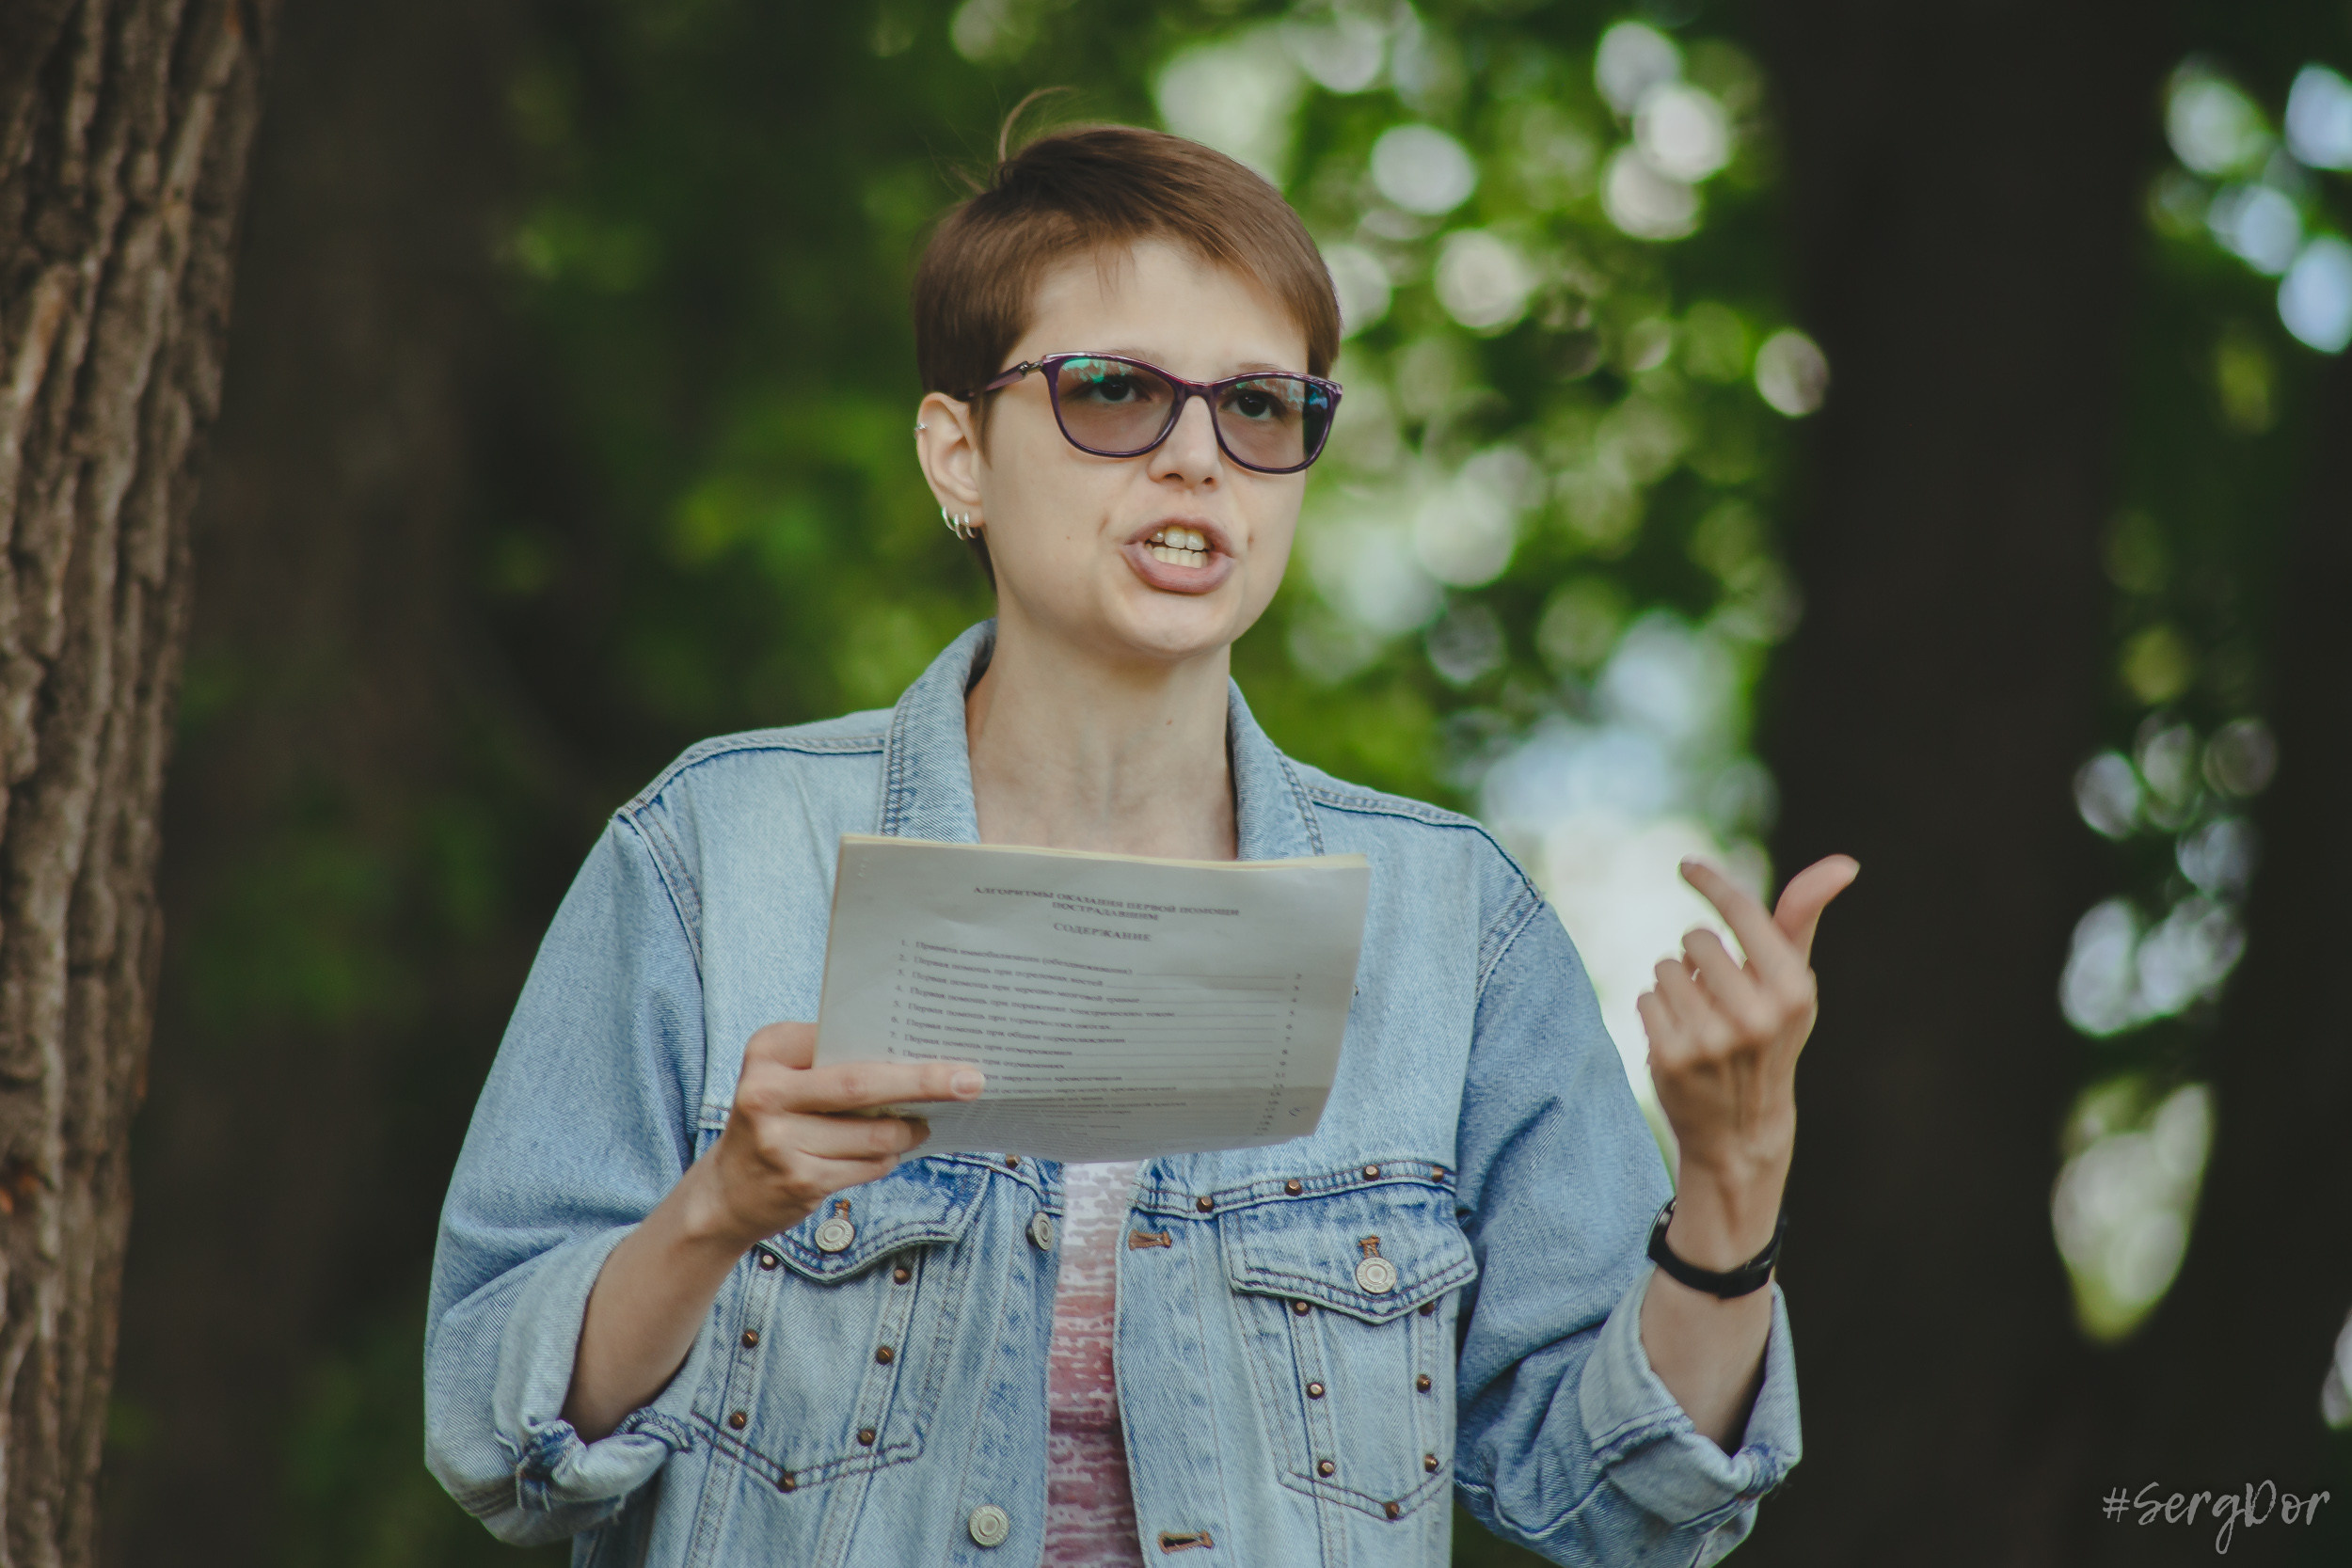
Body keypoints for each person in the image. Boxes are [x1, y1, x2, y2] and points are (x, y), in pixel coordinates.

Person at [424, 119, 1855, 1568]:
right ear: (957, 453)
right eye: (1113, 391)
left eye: (1260, 406)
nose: (1196, 458)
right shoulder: (712, 858)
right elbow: (500, 1443)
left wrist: (1733, 1179)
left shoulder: (1453, 924)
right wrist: (717, 1212)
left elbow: (1621, 1508)